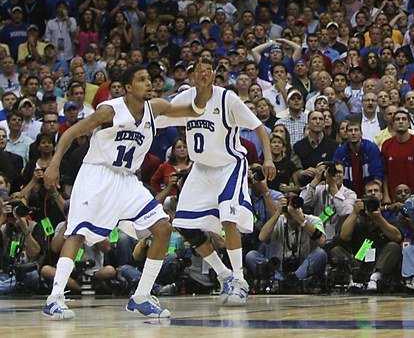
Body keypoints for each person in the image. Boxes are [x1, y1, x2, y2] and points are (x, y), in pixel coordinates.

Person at [40, 66, 200, 320]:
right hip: (97, 174)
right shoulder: (110, 110)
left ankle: (141, 296)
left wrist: (204, 89)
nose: (149, 83)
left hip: (127, 179)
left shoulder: (155, 107)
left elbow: (192, 110)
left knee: (162, 228)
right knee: (78, 232)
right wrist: (54, 163)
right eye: (141, 79)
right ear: (127, 87)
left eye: (149, 79)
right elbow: (71, 132)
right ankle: (55, 297)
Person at [165, 58, 276, 305]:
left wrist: (268, 158)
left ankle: (239, 280)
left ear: (214, 75)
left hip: (229, 166)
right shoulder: (185, 99)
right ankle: (223, 274)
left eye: (208, 71)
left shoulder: (228, 99)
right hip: (200, 169)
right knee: (184, 225)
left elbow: (259, 127)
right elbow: (161, 116)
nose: (204, 75)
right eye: (199, 71)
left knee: (228, 219)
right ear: (193, 76)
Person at [331, 179, 403, 293]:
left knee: (394, 247)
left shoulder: (386, 219)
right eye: (370, 191)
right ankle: (353, 279)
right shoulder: (356, 221)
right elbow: (343, 236)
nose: (373, 193)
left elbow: (398, 237)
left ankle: (375, 277)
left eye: (376, 190)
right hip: (358, 263)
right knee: (336, 250)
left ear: (381, 196)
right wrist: (355, 213)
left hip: (380, 262)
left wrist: (378, 219)